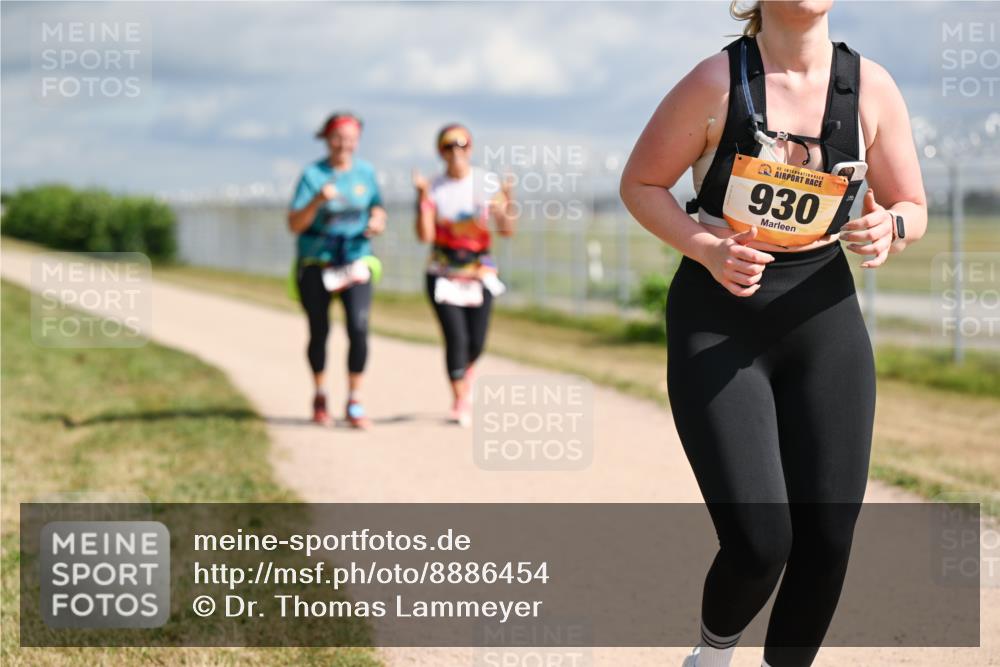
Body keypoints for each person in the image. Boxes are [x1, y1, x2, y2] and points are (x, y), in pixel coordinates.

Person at [619, 2, 926, 666]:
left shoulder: (871, 87)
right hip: (719, 317)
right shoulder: (715, 83)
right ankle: (712, 654)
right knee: (761, 539)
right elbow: (641, 183)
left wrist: (891, 226)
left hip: (823, 318)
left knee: (828, 537)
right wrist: (705, 246)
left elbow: (912, 205)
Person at [287, 111, 387, 428]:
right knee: (320, 332)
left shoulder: (366, 173)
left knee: (359, 329)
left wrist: (377, 220)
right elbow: (294, 224)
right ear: (327, 139)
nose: (344, 144)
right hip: (318, 263)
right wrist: (317, 200)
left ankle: (354, 401)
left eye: (350, 138)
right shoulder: (312, 175)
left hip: (356, 261)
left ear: (357, 141)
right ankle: (319, 395)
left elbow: (377, 206)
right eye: (338, 137)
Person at [413, 124, 516, 425]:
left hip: (479, 272)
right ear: (440, 152)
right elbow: (425, 235)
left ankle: (465, 371)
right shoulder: (433, 187)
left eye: (462, 145)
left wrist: (508, 200)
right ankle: (460, 399)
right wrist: (422, 201)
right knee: (455, 338)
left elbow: (507, 230)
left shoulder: (487, 183)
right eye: (449, 146)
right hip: (443, 272)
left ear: (471, 148)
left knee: (477, 342)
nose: (456, 151)